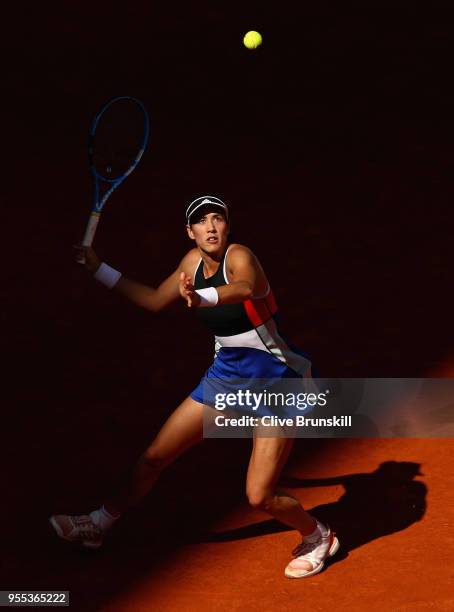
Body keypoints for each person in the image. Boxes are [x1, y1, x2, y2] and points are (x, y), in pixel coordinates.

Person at [50, 195, 339, 578]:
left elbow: (245, 289)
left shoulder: (240, 256)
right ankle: (98, 524)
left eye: (217, 219)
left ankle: (318, 534)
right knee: (155, 456)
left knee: (259, 497)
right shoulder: (191, 263)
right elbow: (155, 300)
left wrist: (200, 296)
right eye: (201, 222)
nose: (211, 227)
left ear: (227, 225)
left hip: (277, 384)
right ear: (190, 232)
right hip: (227, 378)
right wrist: (98, 269)